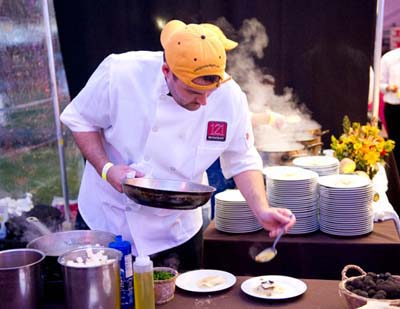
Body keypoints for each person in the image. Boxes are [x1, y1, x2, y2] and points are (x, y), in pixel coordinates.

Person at [60, 19, 296, 271]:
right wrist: (107, 169)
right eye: (193, 91)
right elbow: (81, 119)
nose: (204, 102)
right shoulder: (121, 73)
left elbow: (242, 159)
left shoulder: (230, 97)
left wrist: (261, 210)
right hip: (108, 222)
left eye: (211, 90)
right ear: (167, 71)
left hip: (177, 231)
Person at [380, 48, 400, 175]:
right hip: (394, 108)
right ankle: (396, 175)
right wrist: (388, 87)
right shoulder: (389, 58)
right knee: (396, 143)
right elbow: (380, 83)